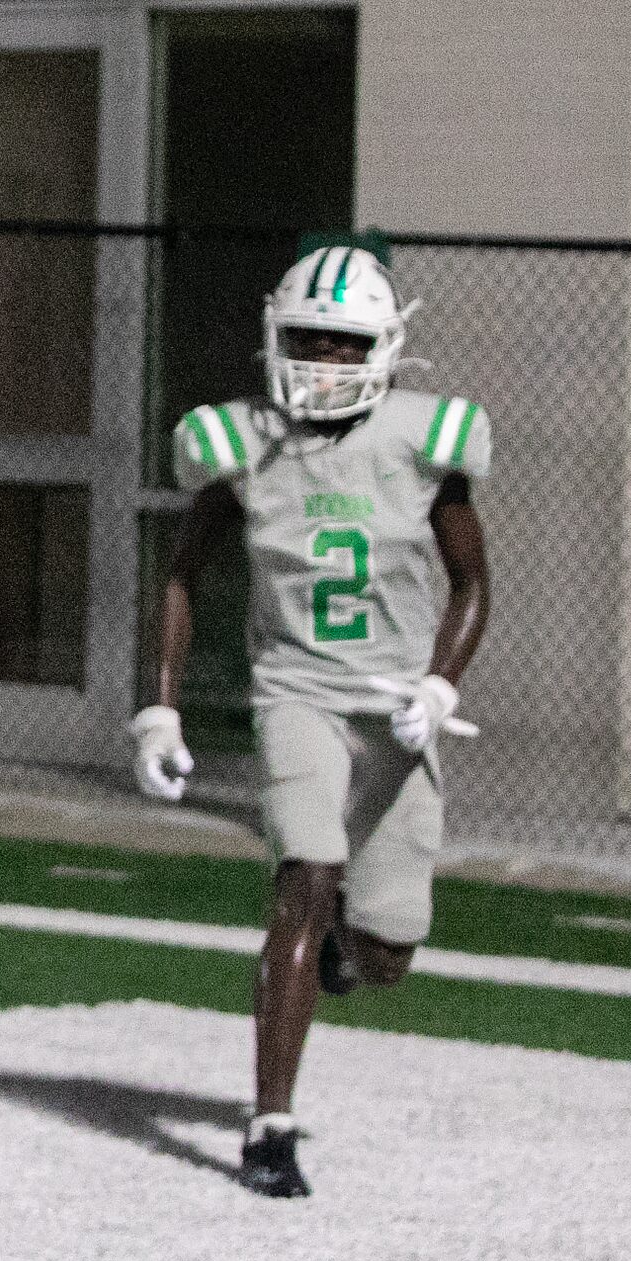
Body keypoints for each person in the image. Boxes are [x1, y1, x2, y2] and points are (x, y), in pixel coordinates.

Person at [134, 243, 490, 1199]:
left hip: (395, 707)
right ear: (273, 340)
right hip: (294, 691)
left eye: (343, 345)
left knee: (387, 952)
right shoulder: (238, 440)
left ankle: (344, 943)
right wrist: (158, 708)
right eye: (308, 343)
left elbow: (472, 583)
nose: (324, 363)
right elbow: (180, 573)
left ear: (382, 350)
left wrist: (439, 686)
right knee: (303, 873)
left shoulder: (427, 439)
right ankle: (268, 1126)